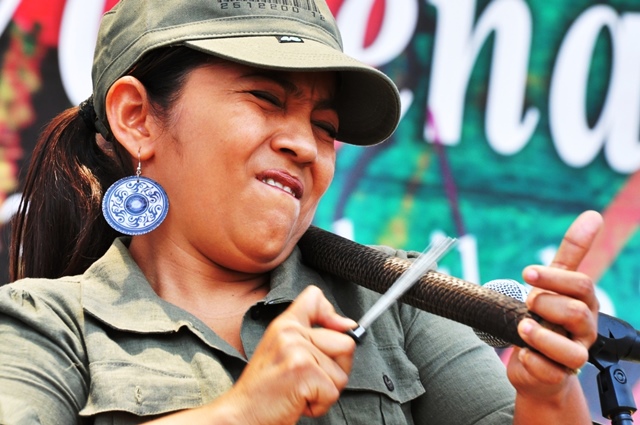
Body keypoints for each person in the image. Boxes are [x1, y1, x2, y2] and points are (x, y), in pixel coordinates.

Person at [0, 1, 603, 424]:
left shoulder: (400, 299)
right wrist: (244, 412)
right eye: (265, 98)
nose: (305, 146)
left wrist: (549, 394)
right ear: (137, 118)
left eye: (325, 126)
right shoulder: (44, 323)